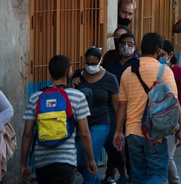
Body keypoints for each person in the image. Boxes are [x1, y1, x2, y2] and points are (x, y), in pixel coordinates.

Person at [113, 33, 181, 184]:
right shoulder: (164, 71)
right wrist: (180, 129)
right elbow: (175, 103)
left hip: (132, 132)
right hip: (155, 132)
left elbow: (122, 105)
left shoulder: (128, 72)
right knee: (157, 174)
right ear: (158, 50)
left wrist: (118, 131)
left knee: (138, 176)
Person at [21, 55, 96, 184]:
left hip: (42, 160)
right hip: (66, 160)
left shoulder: (35, 97)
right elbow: (84, 133)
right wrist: (90, 159)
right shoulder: (78, 97)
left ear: (50, 72)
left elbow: (28, 133)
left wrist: (23, 163)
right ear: (69, 72)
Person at [73, 47, 119, 184]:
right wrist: (71, 85)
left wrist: (119, 128)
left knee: (89, 159)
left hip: (100, 123)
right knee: (78, 160)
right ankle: (96, 180)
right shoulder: (78, 75)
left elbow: (116, 104)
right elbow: (69, 97)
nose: (90, 66)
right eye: (88, 63)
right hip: (80, 124)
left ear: (100, 61)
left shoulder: (110, 79)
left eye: (94, 63)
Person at [100, 33, 137, 184]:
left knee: (129, 145)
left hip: (132, 107)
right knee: (111, 141)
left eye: (130, 43)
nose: (126, 47)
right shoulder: (112, 64)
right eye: (123, 43)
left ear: (135, 46)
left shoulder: (137, 63)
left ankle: (130, 176)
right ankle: (121, 171)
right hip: (113, 108)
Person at [159, 41, 181, 184]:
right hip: (156, 120)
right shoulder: (155, 70)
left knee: (168, 156)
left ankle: (175, 181)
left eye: (163, 55)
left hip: (173, 121)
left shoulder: (179, 72)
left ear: (171, 55)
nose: (160, 58)